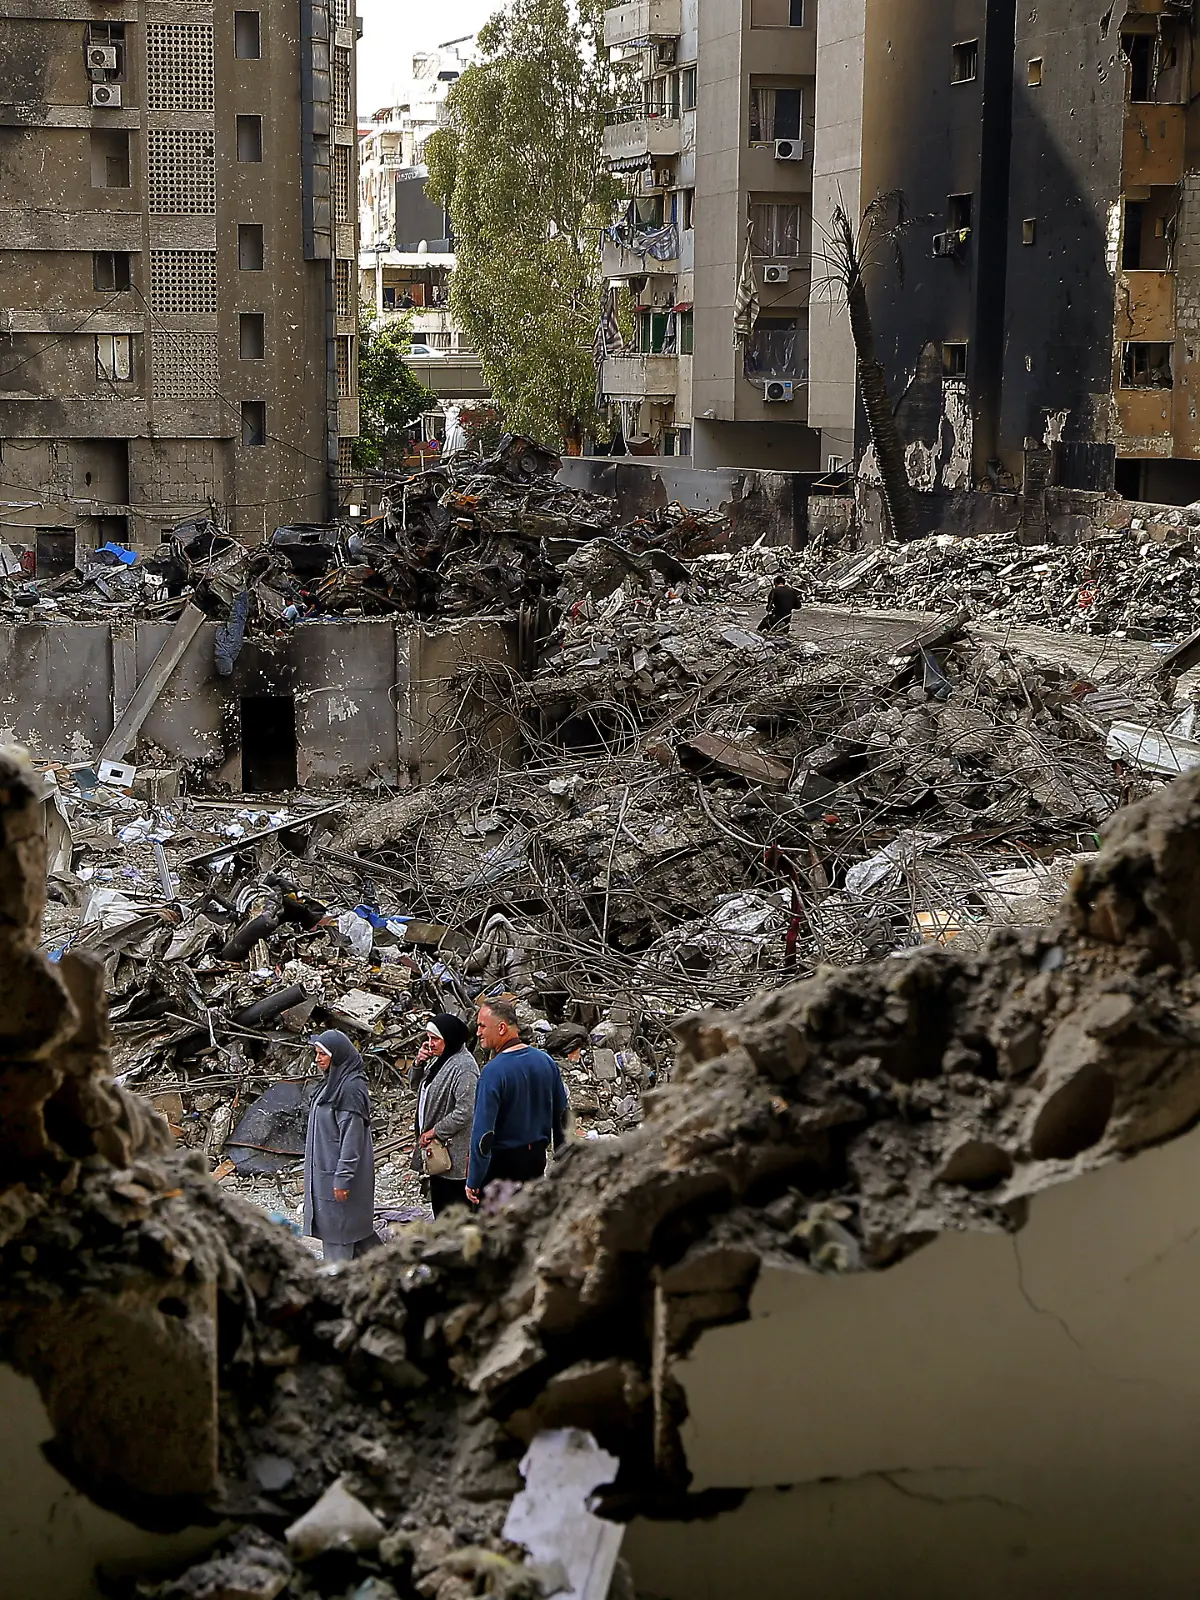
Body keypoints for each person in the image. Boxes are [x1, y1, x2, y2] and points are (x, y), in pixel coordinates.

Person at [466, 999, 569, 1204]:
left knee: (499, 1230)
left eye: (482, 1026)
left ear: (502, 1028)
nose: (478, 1033)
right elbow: (562, 1117)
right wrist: (563, 1159)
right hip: (536, 1162)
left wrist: (474, 1179)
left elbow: (483, 1135)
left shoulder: (493, 1072)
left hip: (502, 1168)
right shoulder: (545, 1061)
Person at [303, 1029, 377, 1262]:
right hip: (327, 1174)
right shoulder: (332, 1084)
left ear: (337, 1055)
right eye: (316, 1054)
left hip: (339, 1179)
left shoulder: (350, 1089)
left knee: (341, 1238)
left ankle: (340, 1288)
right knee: (352, 1237)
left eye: (322, 1054)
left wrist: (342, 1178)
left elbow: (352, 1140)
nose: (318, 1059)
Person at [409, 1013, 480, 1217]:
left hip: (452, 1153)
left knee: (454, 1209)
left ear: (449, 1038)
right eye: (428, 1038)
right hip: (437, 1150)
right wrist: (418, 1063)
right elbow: (416, 1086)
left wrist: (435, 1131)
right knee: (440, 1206)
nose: (430, 1044)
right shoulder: (440, 1060)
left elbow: (465, 1110)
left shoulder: (464, 1068)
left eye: (435, 1039)